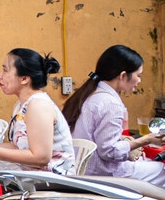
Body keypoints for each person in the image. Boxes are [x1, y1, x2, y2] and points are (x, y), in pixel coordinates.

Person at [0, 49, 76, 175]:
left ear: (24, 79)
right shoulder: (21, 105)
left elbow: (41, 157)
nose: (0, 75)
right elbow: (17, 147)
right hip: (30, 173)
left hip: (52, 179)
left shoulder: (38, 106)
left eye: (5, 70)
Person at [65, 45, 163, 184]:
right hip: (101, 173)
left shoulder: (89, 95)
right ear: (123, 75)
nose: (139, 80)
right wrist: (146, 140)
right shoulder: (111, 104)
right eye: (138, 75)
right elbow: (109, 152)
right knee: (161, 170)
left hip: (81, 169)